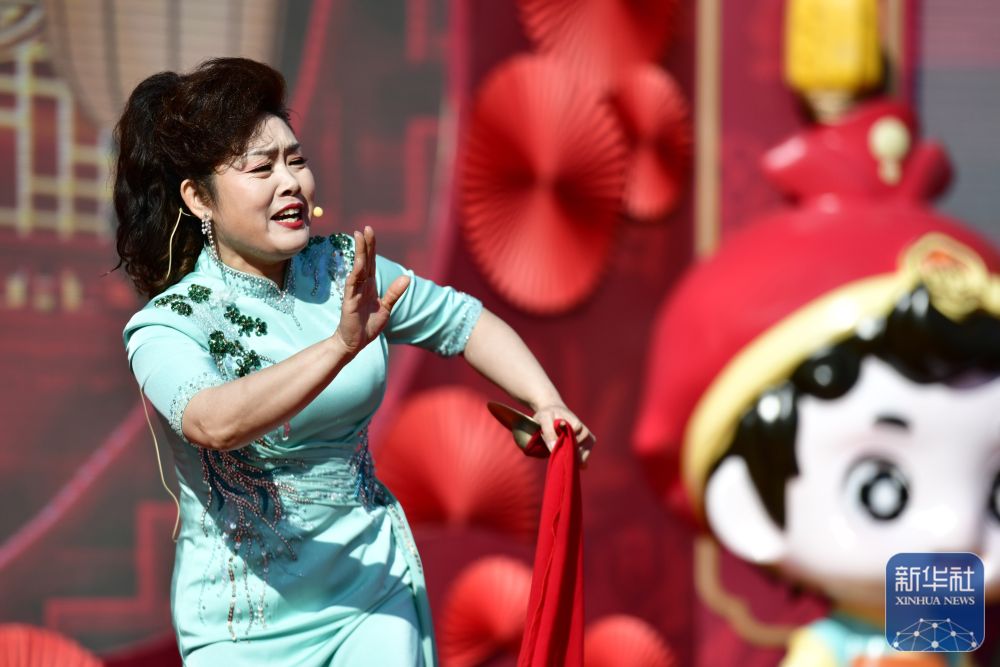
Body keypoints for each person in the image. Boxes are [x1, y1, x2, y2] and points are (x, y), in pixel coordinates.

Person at [115, 57, 593, 666]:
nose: (290, 183)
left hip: (371, 590)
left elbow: (465, 323)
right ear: (198, 198)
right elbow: (213, 422)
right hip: (242, 624)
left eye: (296, 160)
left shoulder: (345, 269)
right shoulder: (169, 324)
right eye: (261, 168)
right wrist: (340, 346)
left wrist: (546, 401)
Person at [633, 100, 1000, 666]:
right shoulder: (826, 650)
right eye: (881, 489)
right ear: (746, 504)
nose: (956, 531)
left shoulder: (941, 626)